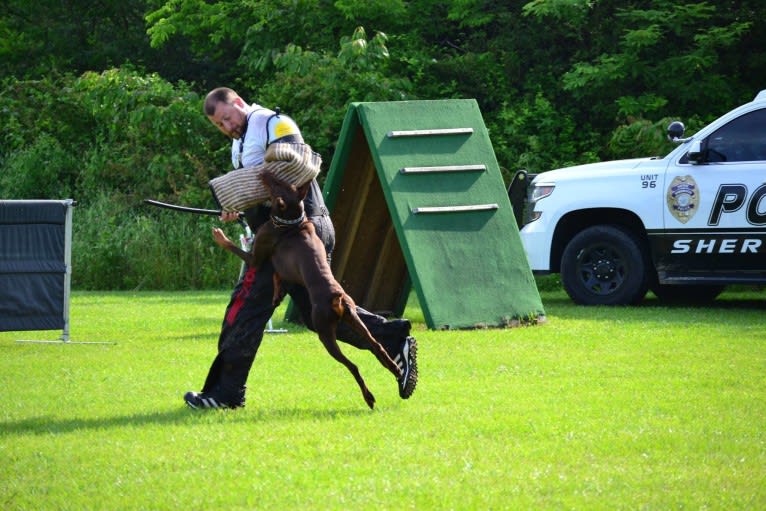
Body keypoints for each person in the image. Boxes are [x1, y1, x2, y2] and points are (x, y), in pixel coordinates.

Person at [183, 87, 418, 409]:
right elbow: (257, 191)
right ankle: (393, 340)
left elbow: (293, 171)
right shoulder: (239, 145)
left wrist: (235, 191)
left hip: (300, 234)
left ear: (238, 103)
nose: (226, 128)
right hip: (280, 240)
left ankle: (224, 395)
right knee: (317, 314)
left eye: (227, 118)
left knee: (246, 306)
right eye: (219, 126)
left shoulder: (274, 123)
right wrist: (234, 206)